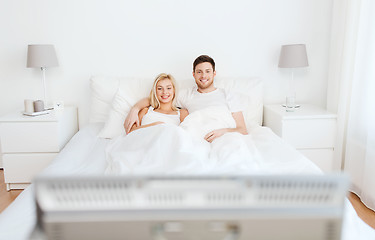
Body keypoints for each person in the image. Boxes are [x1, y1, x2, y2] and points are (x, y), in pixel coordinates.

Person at [124, 55, 248, 142]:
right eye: (199, 72)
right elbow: (160, 98)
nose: (203, 75)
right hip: (200, 139)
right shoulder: (186, 95)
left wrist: (223, 132)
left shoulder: (228, 95)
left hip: (225, 137)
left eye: (207, 71)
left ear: (214, 73)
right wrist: (135, 109)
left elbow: (242, 130)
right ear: (193, 74)